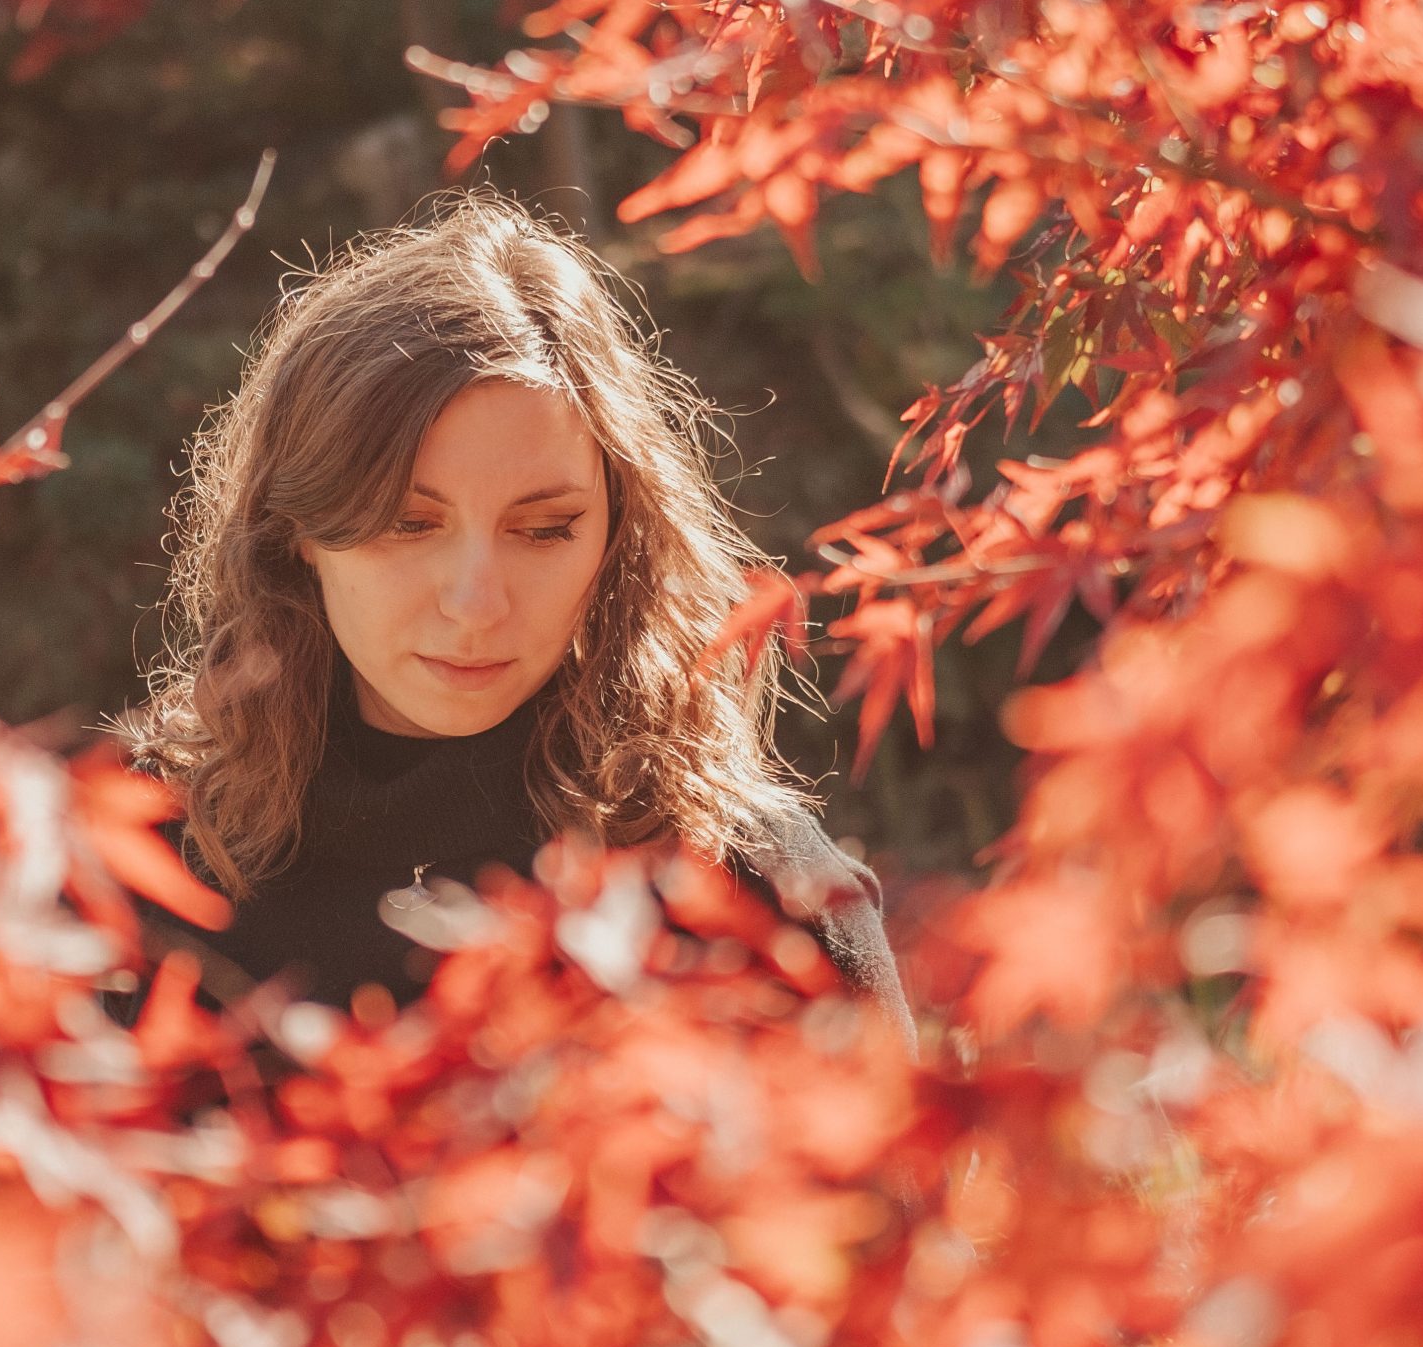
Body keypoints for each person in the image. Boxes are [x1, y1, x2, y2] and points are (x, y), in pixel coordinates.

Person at [124, 197, 912, 1045]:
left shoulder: (759, 893)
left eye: (543, 531)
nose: (476, 603)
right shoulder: (132, 873)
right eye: (407, 523)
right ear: (301, 534)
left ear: (616, 537)